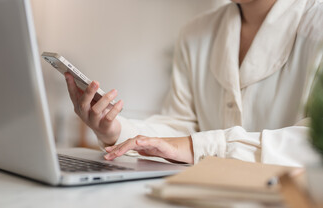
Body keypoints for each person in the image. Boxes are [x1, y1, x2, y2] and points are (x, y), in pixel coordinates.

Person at [64, 0, 323, 166]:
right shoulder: (196, 32)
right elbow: (180, 126)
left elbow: (314, 142)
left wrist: (196, 146)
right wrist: (116, 132)